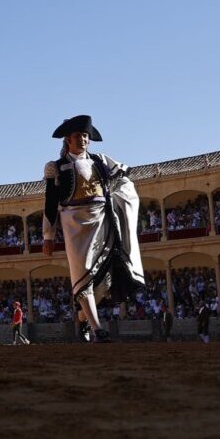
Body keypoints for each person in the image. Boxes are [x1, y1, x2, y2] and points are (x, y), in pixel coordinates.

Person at [42, 116, 144, 343]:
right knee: (82, 275)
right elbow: (50, 203)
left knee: (105, 280)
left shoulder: (100, 160)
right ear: (68, 139)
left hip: (102, 220)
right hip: (73, 223)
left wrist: (120, 201)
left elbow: (124, 181)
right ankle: (98, 328)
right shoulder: (55, 167)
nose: (83, 140)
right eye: (78, 136)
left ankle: (83, 317)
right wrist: (48, 236)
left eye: (86, 136)